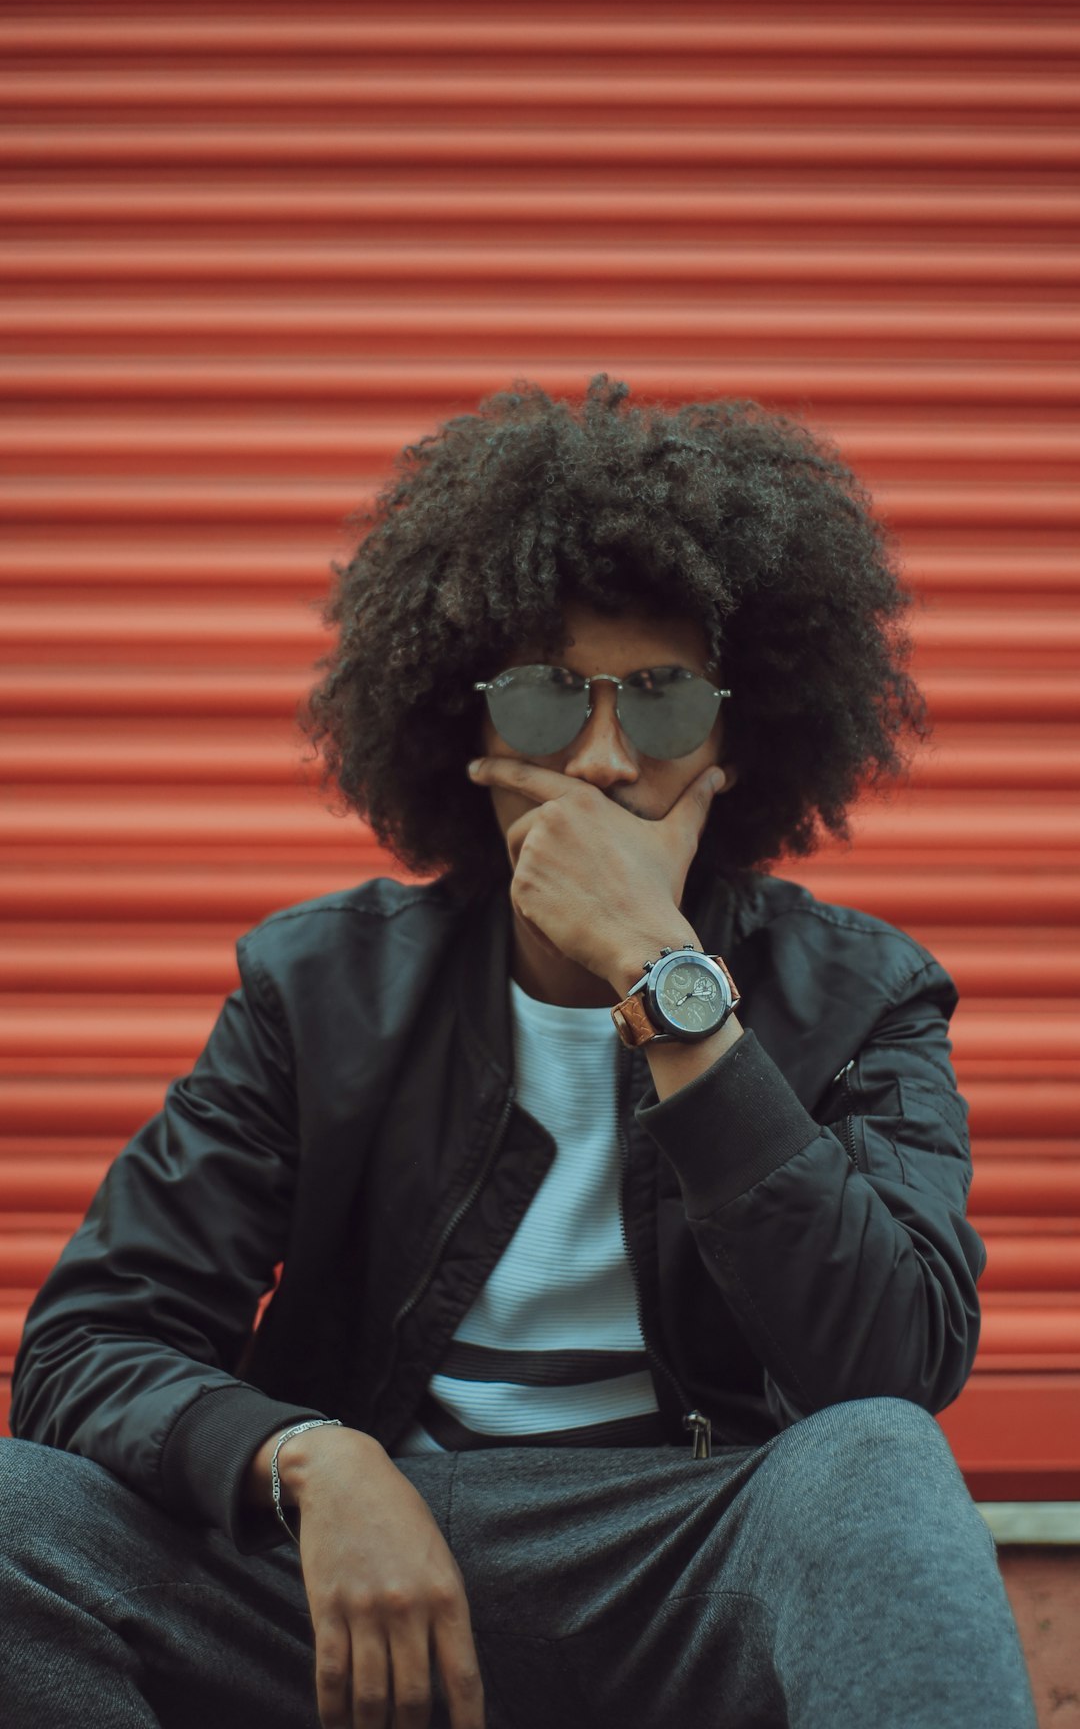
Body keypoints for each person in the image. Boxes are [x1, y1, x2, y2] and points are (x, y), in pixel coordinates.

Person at [3, 376, 1036, 1729]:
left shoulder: (860, 994)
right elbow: (88, 1346)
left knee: (880, 1469)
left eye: (661, 704)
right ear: (468, 725)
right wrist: (311, 1460)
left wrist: (669, 989)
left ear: (738, 734)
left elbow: (891, 1367)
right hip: (361, 1561)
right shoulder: (319, 987)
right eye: (553, 702)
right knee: (19, 1517)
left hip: (681, 1551)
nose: (605, 761)